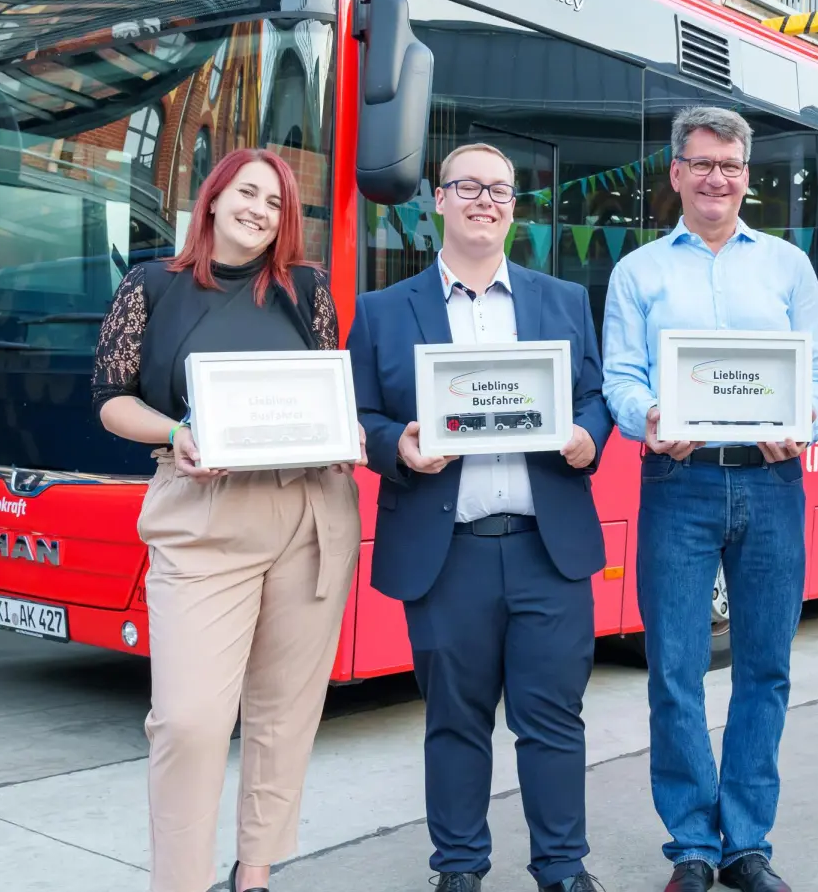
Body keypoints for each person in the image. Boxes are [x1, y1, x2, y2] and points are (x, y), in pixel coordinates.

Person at [91, 148, 363, 892]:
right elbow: (111, 400)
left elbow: (324, 389)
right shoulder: (150, 285)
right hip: (201, 513)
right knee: (187, 720)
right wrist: (175, 434)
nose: (261, 211)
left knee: (284, 712)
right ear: (211, 199)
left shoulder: (306, 290)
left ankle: (256, 873)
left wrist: (346, 433)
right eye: (248, 193)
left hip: (307, 512)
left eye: (276, 204)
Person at [346, 141, 613, 892]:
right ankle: (459, 870)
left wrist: (588, 434)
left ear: (514, 207)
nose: (485, 200)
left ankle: (563, 869)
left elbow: (593, 398)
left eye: (500, 189)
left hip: (546, 549)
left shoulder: (561, 300)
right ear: (437, 200)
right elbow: (358, 413)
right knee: (455, 725)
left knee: (554, 722)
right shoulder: (380, 313)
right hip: (446, 553)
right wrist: (393, 442)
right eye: (468, 186)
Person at [600, 106, 818, 892]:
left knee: (765, 667)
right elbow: (622, 379)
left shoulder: (787, 268)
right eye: (701, 164)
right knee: (675, 669)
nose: (717, 179)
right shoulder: (638, 271)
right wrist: (649, 419)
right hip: (679, 480)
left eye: (731, 166)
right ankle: (693, 846)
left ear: (747, 175)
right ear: (676, 173)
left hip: (771, 481)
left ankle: (746, 843)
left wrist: (800, 424)